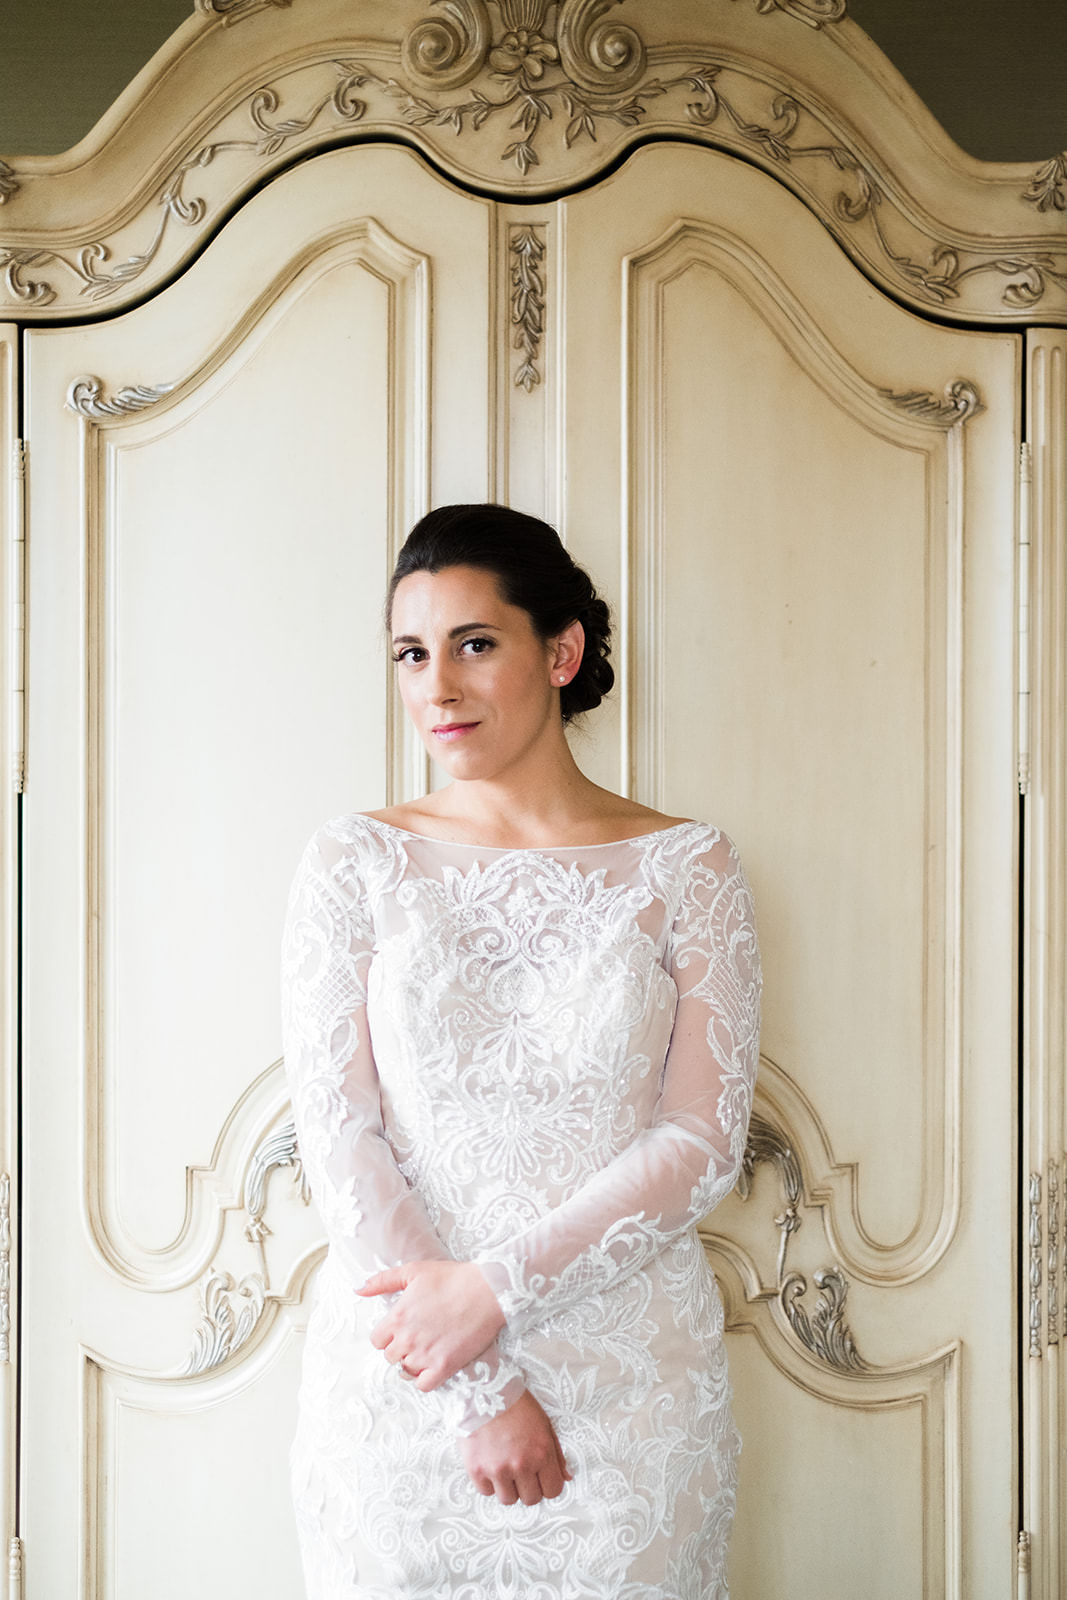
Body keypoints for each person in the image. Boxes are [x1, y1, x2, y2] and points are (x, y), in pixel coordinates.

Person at [280, 503, 761, 1599]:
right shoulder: (353, 862)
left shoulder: (689, 866)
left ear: (561, 652)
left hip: (630, 1389)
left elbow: (700, 1141)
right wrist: (478, 1387)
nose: (436, 688)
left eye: (473, 644)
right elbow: (339, 1137)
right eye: (411, 654)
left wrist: (490, 1293)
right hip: (404, 1393)